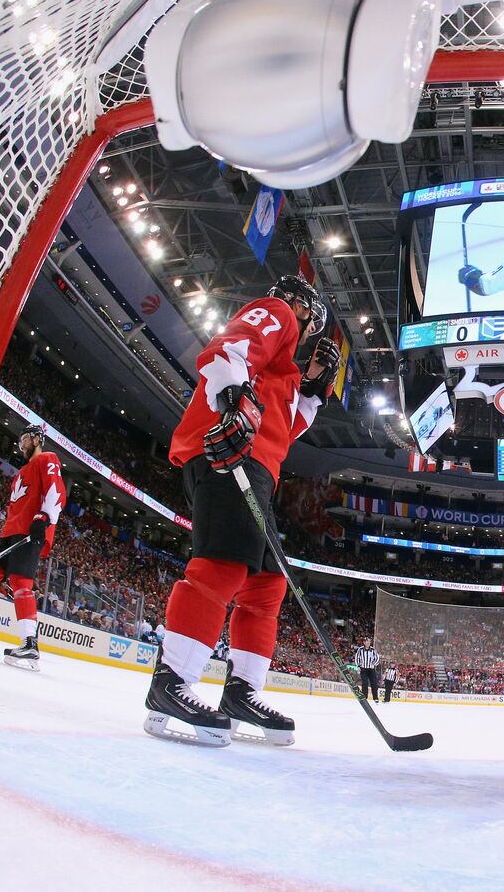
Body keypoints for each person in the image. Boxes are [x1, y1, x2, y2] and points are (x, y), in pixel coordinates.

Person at [143, 274, 338, 748]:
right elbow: (230, 346)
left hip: (259, 470)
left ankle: (241, 693)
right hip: (228, 453)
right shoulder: (280, 314)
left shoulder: (287, 377)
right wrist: (231, 399)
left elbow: (285, 433)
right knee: (225, 563)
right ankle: (170, 682)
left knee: (267, 584)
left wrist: (311, 392)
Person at [0, 423, 65, 672]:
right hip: (10, 532)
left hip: (30, 532)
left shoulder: (48, 459)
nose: (22, 444)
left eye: (26, 439)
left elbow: (56, 491)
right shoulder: (20, 473)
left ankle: (30, 645)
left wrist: (45, 518)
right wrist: (3, 534)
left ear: (37, 439)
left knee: (20, 582)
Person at [353, 638, 381, 703]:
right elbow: (357, 658)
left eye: (369, 641)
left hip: (371, 669)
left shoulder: (373, 650)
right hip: (363, 669)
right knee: (365, 683)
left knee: (374, 683)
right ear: (364, 642)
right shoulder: (360, 649)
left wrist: (374, 664)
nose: (368, 643)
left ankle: (375, 698)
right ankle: (364, 697)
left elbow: (377, 658)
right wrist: (359, 666)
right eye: (366, 642)